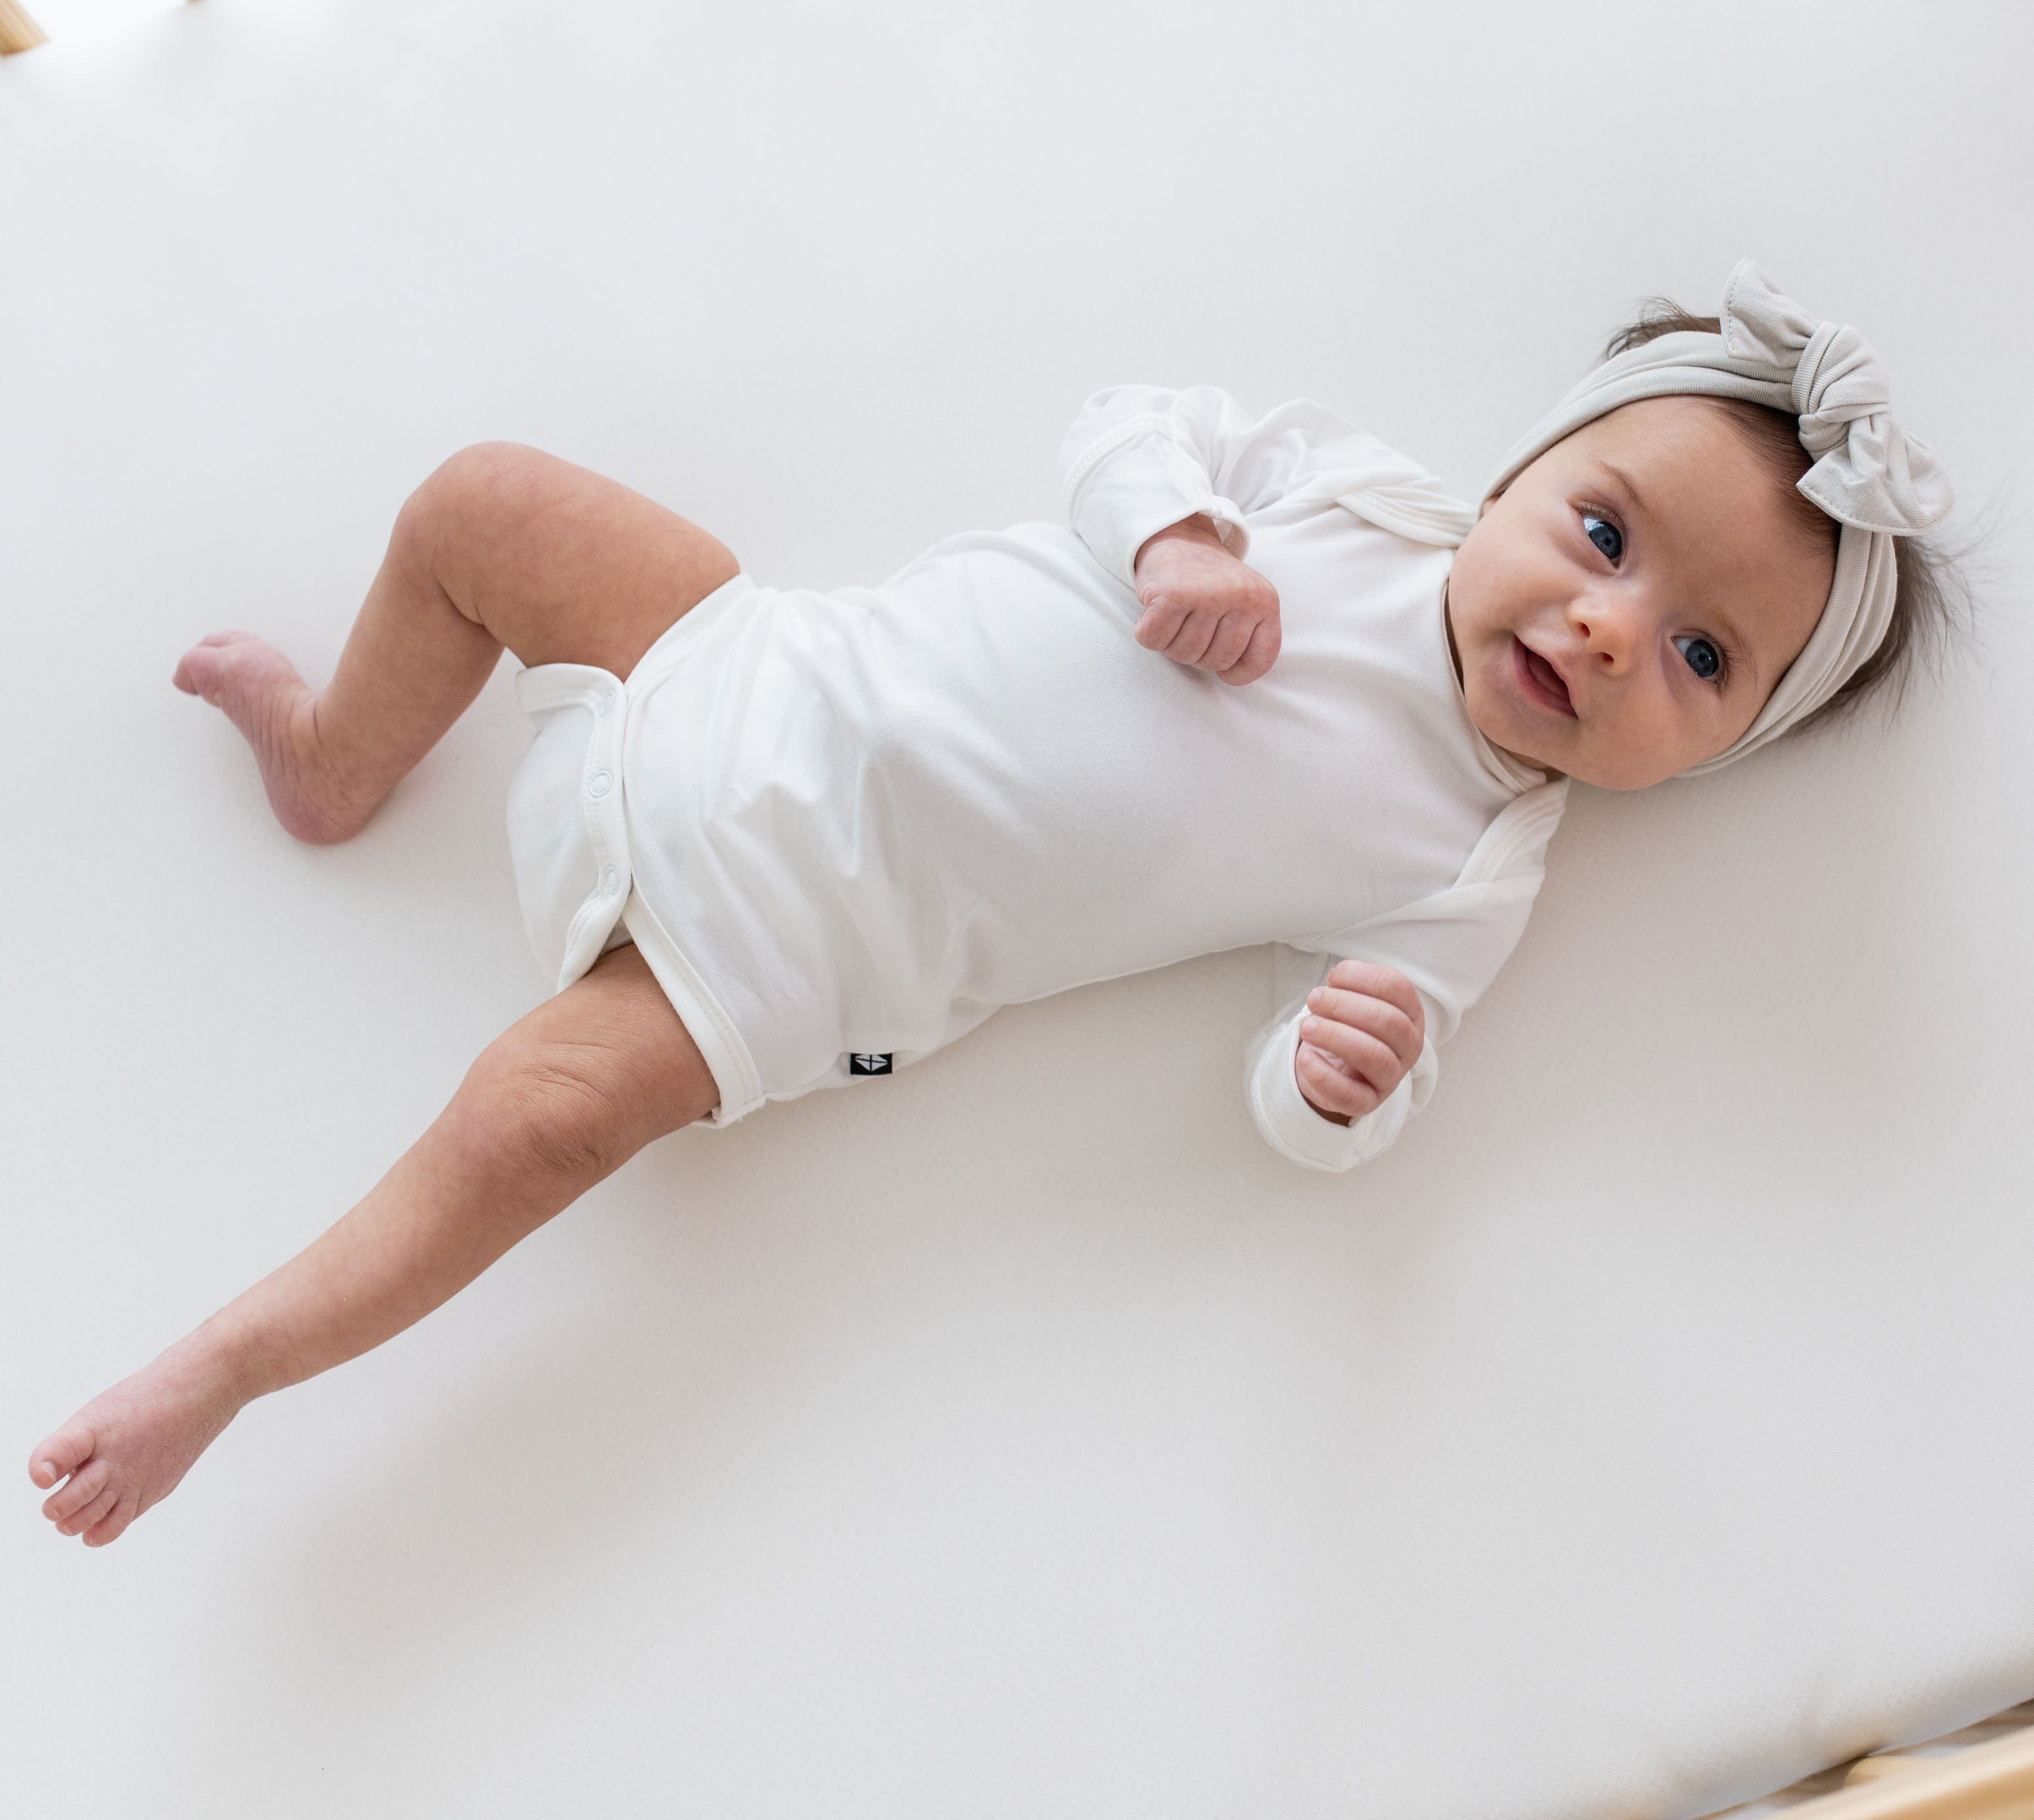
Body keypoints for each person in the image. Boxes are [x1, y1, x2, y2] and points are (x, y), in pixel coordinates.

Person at [28, 260, 1961, 1547]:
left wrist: (1343, 1081)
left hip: (775, 956)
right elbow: (1129, 419)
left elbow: (1323, 1100)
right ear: (1528, 465)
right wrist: (1172, 529)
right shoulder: (1358, 501)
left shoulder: (1471, 863)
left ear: (1718, 757)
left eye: (1706, 660)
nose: (1609, 629)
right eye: (1604, 535)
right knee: (486, 501)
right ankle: (338, 761)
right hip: (733, 662)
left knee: (533, 1123)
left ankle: (224, 1365)